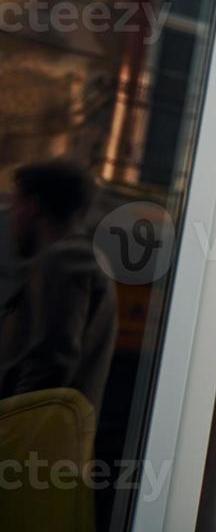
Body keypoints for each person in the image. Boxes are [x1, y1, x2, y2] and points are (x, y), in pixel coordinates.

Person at [0, 158, 117, 417]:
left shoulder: (65, 259)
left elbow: (52, 359)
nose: (11, 219)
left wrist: (11, 425)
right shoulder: (83, 259)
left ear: (32, 207)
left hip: (31, 445)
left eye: (14, 206)